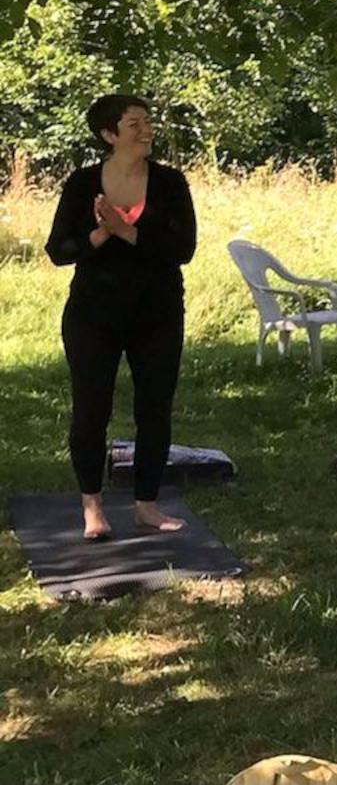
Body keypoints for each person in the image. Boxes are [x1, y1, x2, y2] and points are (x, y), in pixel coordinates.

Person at [45, 94, 198, 541]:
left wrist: (127, 230)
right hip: (93, 315)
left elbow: (182, 249)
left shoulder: (170, 183)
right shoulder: (82, 184)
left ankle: (146, 506)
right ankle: (92, 508)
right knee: (91, 410)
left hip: (158, 315)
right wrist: (100, 232)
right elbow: (59, 250)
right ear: (109, 134)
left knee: (155, 410)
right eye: (135, 123)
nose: (146, 129)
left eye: (147, 121)